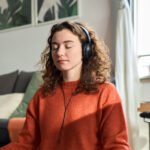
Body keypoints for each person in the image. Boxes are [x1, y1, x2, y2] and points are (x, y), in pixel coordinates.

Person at [0, 21, 130, 150]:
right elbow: (25, 144)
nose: (59, 52)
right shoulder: (41, 95)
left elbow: (116, 145)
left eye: (68, 46)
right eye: (55, 47)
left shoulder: (106, 92)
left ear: (86, 50)